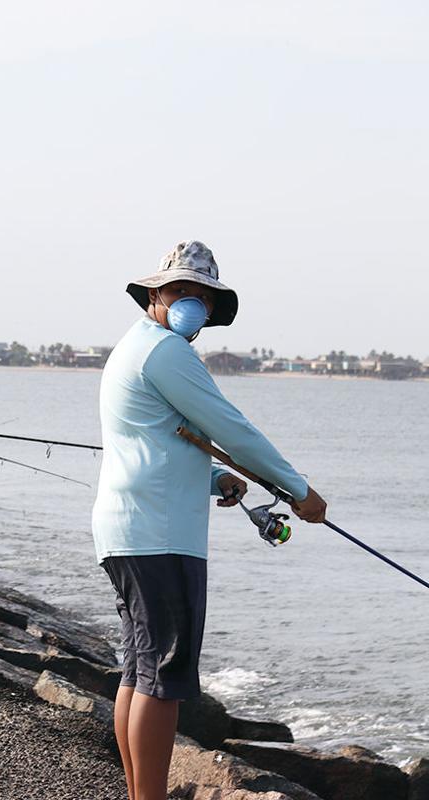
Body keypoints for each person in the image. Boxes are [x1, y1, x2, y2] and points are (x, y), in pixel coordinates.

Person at [92, 241, 327, 800]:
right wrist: (299, 491)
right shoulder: (167, 353)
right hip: (158, 535)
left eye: (202, 295)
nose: (192, 303)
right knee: (163, 679)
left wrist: (212, 479)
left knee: (140, 671)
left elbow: (156, 439)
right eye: (182, 291)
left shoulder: (137, 347)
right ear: (156, 294)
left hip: (130, 528)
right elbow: (231, 427)